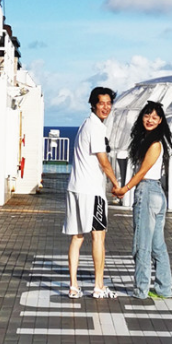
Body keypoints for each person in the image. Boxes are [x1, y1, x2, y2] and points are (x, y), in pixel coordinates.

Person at [63, 86, 121, 298]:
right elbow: (103, 161)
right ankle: (98, 286)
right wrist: (116, 184)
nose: (105, 107)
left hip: (75, 187)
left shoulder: (85, 125)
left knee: (77, 237)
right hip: (91, 191)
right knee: (98, 236)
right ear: (93, 105)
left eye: (108, 103)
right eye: (101, 103)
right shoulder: (96, 128)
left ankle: (73, 286)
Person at [113, 101, 172, 300]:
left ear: (161, 121)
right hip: (156, 192)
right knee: (157, 245)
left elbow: (142, 173)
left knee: (142, 244)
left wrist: (124, 189)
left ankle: (141, 290)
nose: (150, 120)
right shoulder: (149, 141)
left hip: (148, 192)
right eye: (147, 116)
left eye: (154, 117)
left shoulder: (155, 144)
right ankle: (164, 289)